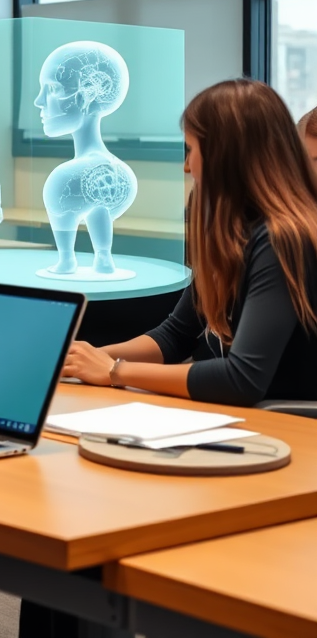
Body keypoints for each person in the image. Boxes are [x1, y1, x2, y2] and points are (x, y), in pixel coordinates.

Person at [63, 78, 317, 406]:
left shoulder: (282, 238)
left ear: (224, 157)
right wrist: (80, 359)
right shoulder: (238, 232)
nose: (186, 167)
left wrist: (115, 371)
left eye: (191, 150)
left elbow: (243, 378)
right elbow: (175, 336)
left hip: (283, 426)